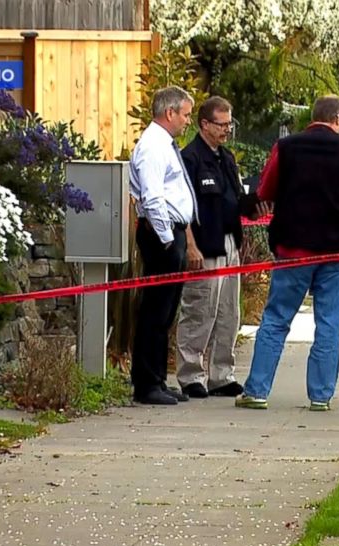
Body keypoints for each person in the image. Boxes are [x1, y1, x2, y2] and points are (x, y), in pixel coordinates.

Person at [236, 94, 339, 411]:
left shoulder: (286, 148)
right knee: (329, 323)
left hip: (294, 247)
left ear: (312, 117)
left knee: (275, 319)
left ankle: (257, 390)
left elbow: (266, 190)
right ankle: (320, 396)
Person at [175, 96, 270, 398]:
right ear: (204, 124)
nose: (228, 129)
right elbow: (182, 209)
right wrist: (190, 246)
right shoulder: (190, 159)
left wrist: (255, 208)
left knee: (229, 312)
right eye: (222, 123)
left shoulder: (226, 158)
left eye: (230, 123)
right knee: (200, 311)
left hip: (231, 242)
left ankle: (221, 374)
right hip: (205, 246)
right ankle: (191, 375)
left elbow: (235, 200)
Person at [128, 86, 198, 406]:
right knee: (156, 310)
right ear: (169, 113)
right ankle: (146, 384)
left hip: (173, 231)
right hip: (162, 234)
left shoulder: (165, 145)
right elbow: (153, 196)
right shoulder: (152, 147)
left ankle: (157, 378)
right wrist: (167, 239)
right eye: (185, 114)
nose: (187, 121)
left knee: (167, 310)